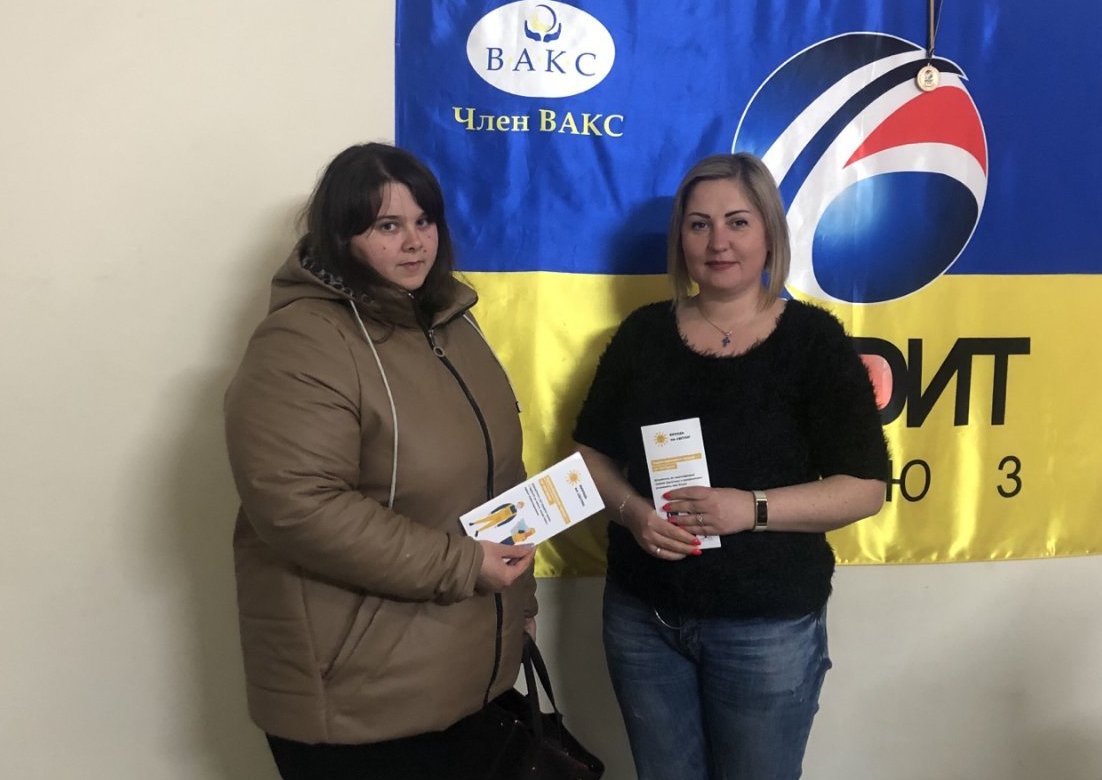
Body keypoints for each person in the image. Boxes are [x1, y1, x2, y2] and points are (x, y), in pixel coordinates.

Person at [224, 142, 537, 779]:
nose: (414, 242)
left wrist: (519, 607)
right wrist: (462, 564)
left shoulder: (451, 324)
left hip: (464, 675)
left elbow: (498, 476)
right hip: (360, 700)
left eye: (424, 221)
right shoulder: (302, 342)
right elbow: (299, 507)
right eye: (387, 226)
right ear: (341, 236)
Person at [573, 152, 889, 780]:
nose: (718, 242)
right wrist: (633, 513)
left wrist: (751, 509)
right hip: (643, 617)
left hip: (765, 628)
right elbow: (590, 453)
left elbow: (865, 489)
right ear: (680, 239)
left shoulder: (813, 341)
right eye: (699, 224)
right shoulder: (643, 336)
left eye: (737, 222)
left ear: (769, 232)